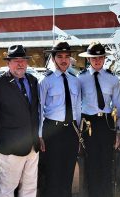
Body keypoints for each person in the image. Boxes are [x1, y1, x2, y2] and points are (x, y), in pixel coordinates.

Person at [0, 45, 40, 197]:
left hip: (32, 145)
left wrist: (38, 136)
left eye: (23, 60)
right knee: (7, 190)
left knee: (30, 189)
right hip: (10, 147)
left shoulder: (33, 81)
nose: (20, 64)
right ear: (8, 63)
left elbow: (35, 111)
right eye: (16, 60)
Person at [77, 42, 120, 197]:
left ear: (104, 58)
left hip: (106, 123)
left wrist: (118, 130)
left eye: (100, 57)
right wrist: (77, 130)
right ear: (89, 59)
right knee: (91, 163)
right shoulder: (80, 78)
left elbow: (117, 105)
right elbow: (76, 105)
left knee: (106, 163)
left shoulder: (112, 79)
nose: (97, 61)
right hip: (88, 123)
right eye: (93, 58)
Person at [38, 42, 82, 197]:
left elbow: (77, 108)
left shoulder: (75, 80)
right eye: (60, 57)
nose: (64, 60)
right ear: (53, 58)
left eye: (67, 57)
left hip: (71, 131)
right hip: (52, 130)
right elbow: (39, 109)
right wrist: (40, 135)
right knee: (53, 173)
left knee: (68, 171)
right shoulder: (45, 81)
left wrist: (78, 133)